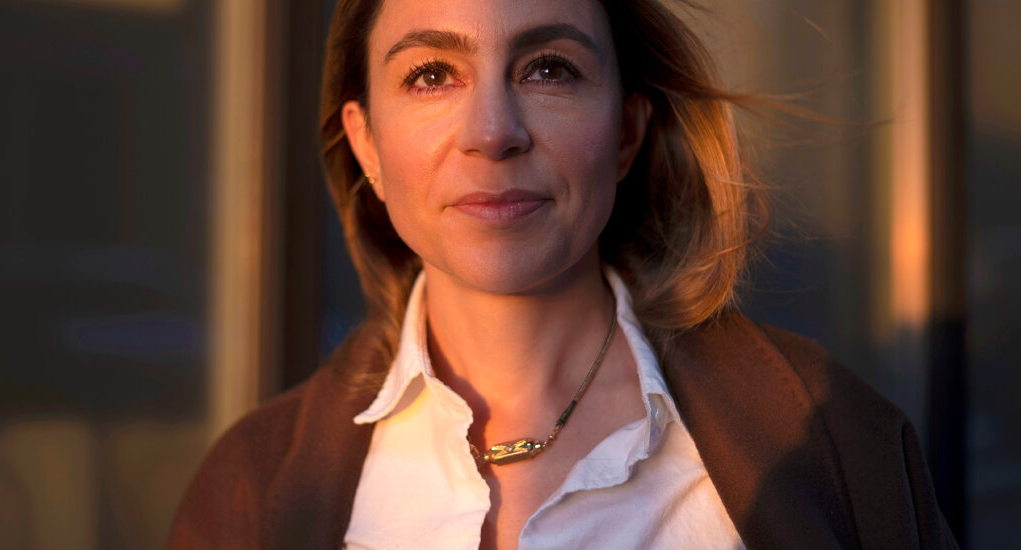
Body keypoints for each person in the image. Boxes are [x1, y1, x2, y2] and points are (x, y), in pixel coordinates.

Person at [168, 0, 959, 548]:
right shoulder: (249, 491)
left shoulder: (835, 443)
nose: (492, 132)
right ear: (367, 144)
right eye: (432, 74)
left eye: (548, 69)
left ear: (626, 135)